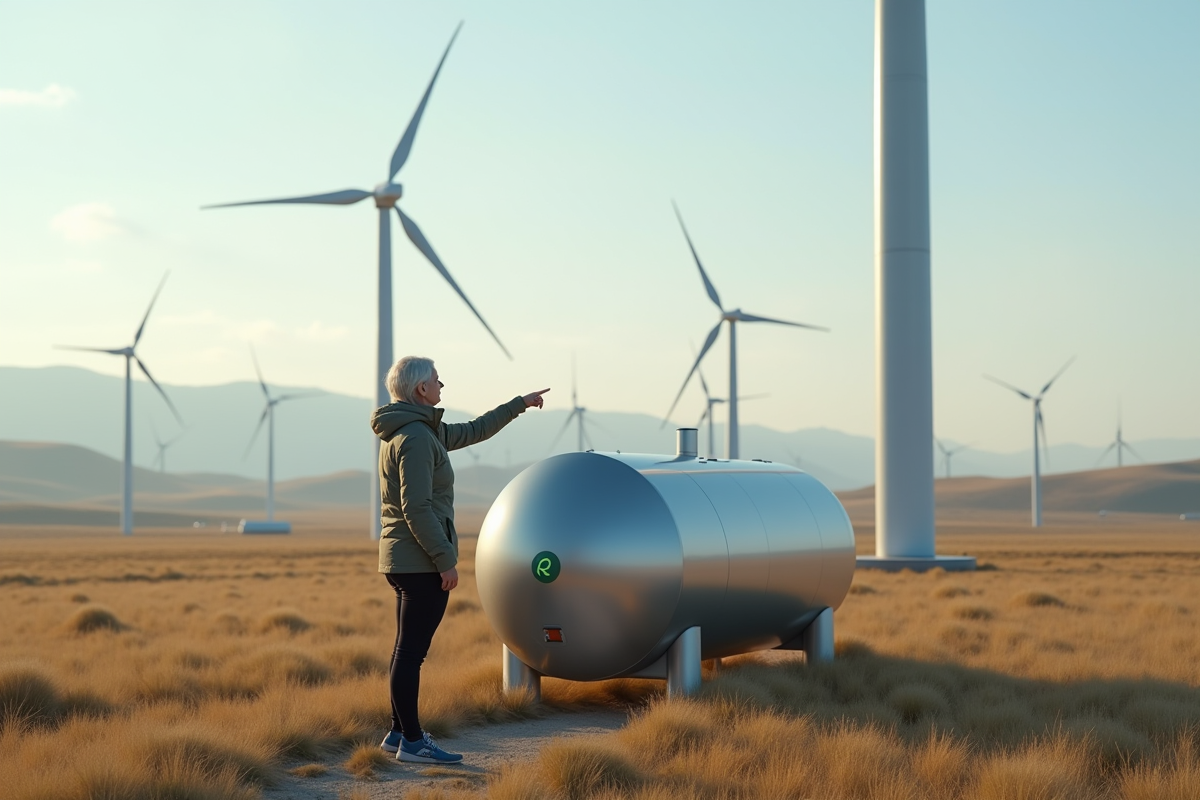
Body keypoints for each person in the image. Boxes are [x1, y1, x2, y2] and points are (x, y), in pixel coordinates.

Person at [371, 355, 548, 764]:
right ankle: (412, 742)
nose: (442, 385)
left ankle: (399, 734)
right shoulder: (416, 439)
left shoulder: (414, 432)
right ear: (421, 390)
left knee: (406, 649)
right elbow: (416, 508)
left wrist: (518, 404)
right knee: (411, 653)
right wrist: (444, 559)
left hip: (403, 559)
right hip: (419, 561)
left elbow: (473, 431)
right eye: (437, 380)